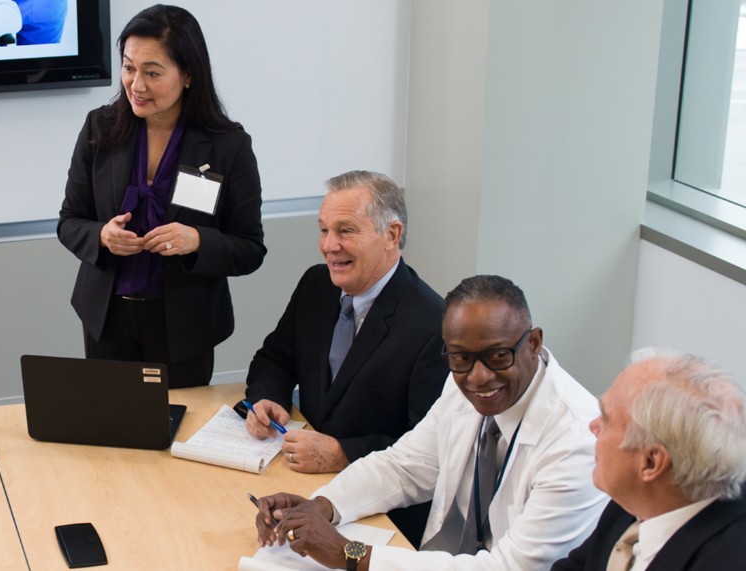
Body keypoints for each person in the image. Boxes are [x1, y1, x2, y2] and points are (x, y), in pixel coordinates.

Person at [253, 275, 607, 570]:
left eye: (498, 356)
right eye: (460, 359)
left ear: (534, 342)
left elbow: (509, 568)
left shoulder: (577, 440)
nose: (479, 376)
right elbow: (403, 466)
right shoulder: (461, 382)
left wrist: (350, 555)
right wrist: (319, 507)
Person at [57, 4, 266, 388]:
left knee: (177, 436)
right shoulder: (98, 129)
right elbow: (70, 221)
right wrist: (102, 235)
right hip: (107, 321)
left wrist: (198, 240)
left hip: (184, 327)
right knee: (113, 435)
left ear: (188, 75)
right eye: (128, 67)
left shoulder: (227, 146)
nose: (136, 85)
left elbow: (250, 248)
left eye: (152, 73)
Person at [244, 170, 447, 474]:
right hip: (300, 475)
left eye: (345, 231)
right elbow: (275, 360)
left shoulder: (434, 325)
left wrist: (344, 454)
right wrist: (269, 398)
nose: (329, 246)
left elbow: (430, 448)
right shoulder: (316, 284)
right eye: (324, 230)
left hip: (379, 499)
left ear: (391, 235)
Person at [552, 349, 746, 570]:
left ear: (650, 463)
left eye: (606, 419)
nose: (593, 426)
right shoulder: (632, 502)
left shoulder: (728, 559)